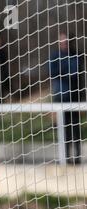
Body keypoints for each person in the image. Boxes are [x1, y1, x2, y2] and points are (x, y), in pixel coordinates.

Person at [49, 31, 85, 165]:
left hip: (74, 97)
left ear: (70, 42)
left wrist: (61, 70)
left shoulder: (77, 55)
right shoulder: (54, 55)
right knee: (63, 128)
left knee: (75, 127)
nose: (63, 43)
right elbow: (52, 72)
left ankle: (77, 157)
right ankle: (64, 157)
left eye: (66, 41)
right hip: (60, 97)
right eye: (61, 41)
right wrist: (64, 70)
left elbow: (75, 72)